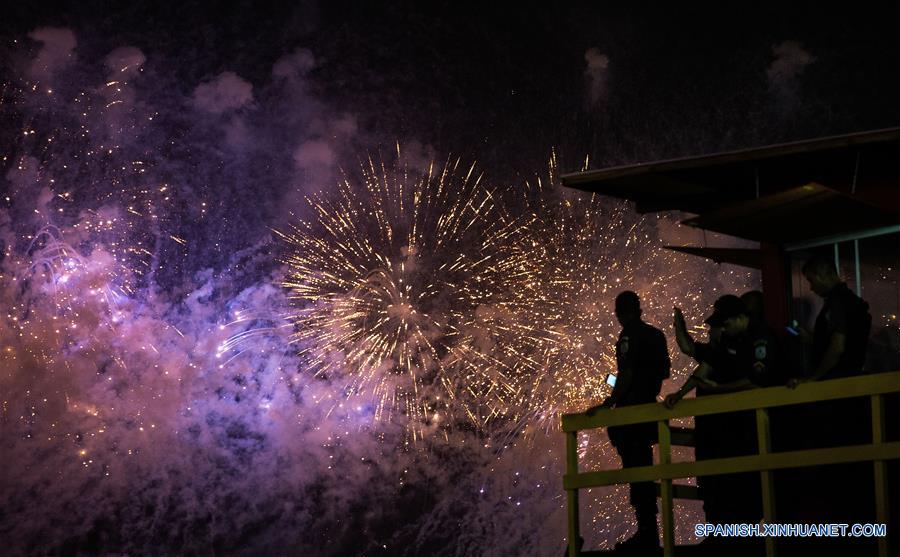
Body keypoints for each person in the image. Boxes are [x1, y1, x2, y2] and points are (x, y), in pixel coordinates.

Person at [585, 291, 670, 550]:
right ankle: (649, 532)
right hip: (649, 410)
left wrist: (610, 400)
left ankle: (647, 535)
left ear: (619, 313)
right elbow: (663, 373)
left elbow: (627, 373)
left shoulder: (628, 336)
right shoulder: (656, 335)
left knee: (636, 473)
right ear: (640, 309)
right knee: (644, 471)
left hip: (631, 416)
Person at [788, 255, 872, 386]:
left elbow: (837, 346)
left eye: (811, 280)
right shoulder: (851, 301)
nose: (811, 287)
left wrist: (813, 379)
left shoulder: (837, 302)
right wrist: (812, 339)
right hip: (851, 381)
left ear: (824, 274)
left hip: (837, 384)